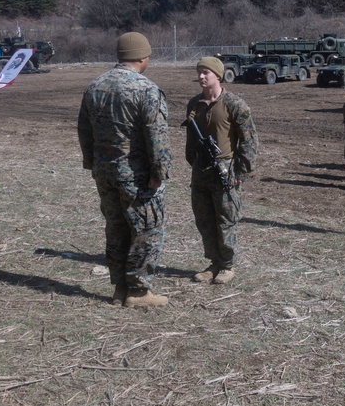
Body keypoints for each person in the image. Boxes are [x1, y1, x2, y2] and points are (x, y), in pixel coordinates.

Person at [78, 32, 172, 307]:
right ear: (143, 57)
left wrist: (91, 163)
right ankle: (139, 292)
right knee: (147, 230)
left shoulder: (95, 86)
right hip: (136, 175)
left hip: (105, 172)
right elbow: (158, 137)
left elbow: (84, 130)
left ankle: (120, 286)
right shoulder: (145, 89)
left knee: (116, 227)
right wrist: (159, 172)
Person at [186, 56, 258, 283]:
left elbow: (249, 141)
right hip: (201, 170)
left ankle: (227, 265)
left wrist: (240, 172)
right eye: (199, 72)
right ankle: (213, 262)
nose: (201, 76)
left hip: (225, 169)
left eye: (206, 72)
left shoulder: (235, 104)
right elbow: (190, 138)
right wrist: (192, 161)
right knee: (204, 218)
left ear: (218, 75)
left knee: (226, 218)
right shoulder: (194, 104)